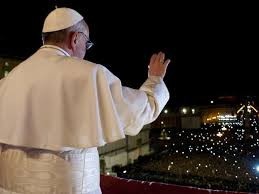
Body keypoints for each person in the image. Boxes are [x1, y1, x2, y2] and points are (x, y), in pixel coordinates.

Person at [0, 7, 170, 194]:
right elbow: (139, 112)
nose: (85, 51)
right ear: (75, 39)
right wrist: (155, 80)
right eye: (86, 44)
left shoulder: (8, 80)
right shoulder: (90, 74)